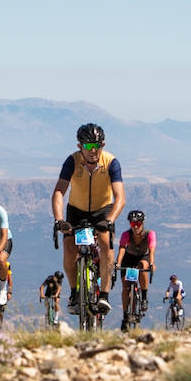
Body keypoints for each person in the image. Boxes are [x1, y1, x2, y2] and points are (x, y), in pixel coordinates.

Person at [51, 123, 125, 316]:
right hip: (76, 210)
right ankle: (75, 293)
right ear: (79, 146)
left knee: (105, 242)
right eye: (89, 146)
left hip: (103, 210)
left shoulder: (111, 162)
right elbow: (59, 191)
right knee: (69, 246)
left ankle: (104, 296)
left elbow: (120, 197)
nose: (94, 151)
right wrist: (59, 219)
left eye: (97, 146)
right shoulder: (72, 161)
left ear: (103, 144)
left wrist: (110, 220)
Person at [116, 209, 156, 330]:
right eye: (133, 224)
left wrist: (152, 263)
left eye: (138, 224)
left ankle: (144, 296)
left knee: (143, 266)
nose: (136, 227)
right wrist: (118, 263)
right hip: (129, 258)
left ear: (142, 224)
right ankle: (125, 316)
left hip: (143, 257)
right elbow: (122, 249)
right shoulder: (126, 235)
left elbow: (152, 250)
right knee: (126, 287)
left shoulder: (149, 234)